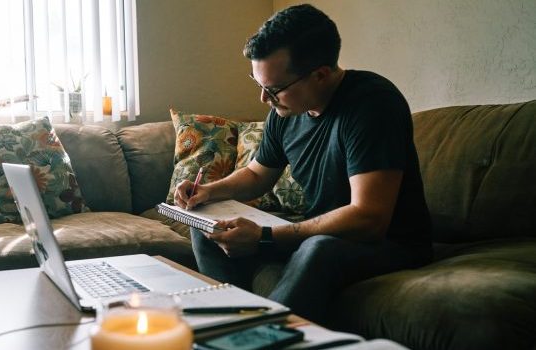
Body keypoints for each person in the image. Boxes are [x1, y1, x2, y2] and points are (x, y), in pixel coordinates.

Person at [173, 4, 432, 322]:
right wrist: (208, 193)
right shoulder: (284, 111)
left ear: (320, 75)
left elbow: (369, 218)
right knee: (208, 226)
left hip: (389, 243)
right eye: (259, 86)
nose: (264, 99)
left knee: (318, 249)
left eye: (274, 89)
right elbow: (257, 175)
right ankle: (228, 324)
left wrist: (265, 236)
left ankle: (262, 337)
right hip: (319, 231)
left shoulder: (372, 105)